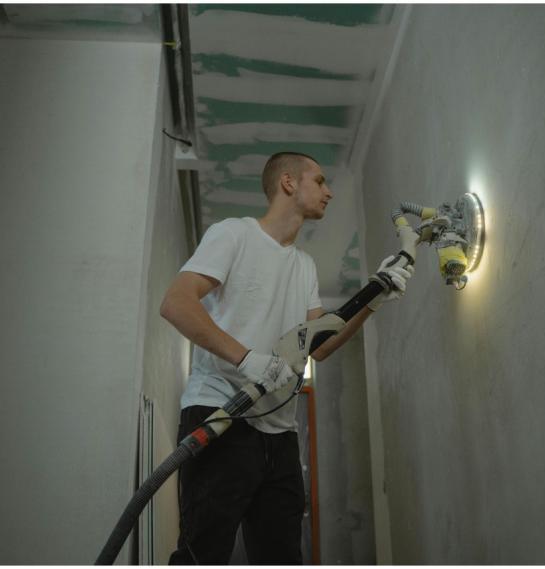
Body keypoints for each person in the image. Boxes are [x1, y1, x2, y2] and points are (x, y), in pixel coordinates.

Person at [160, 152, 413, 564]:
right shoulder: (234, 235)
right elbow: (176, 303)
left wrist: (374, 298)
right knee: (202, 554)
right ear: (289, 183)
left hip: (279, 435)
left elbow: (321, 346)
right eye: (319, 180)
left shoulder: (304, 266)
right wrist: (246, 360)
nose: (329, 191)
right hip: (220, 415)